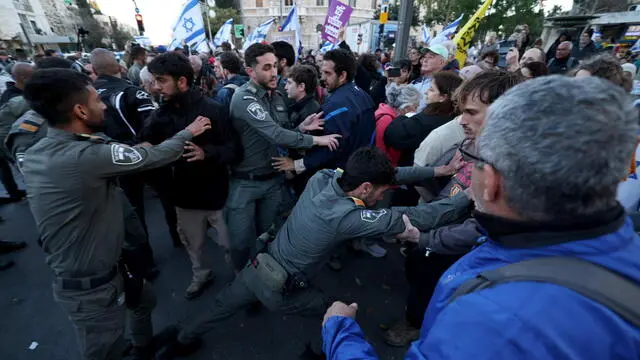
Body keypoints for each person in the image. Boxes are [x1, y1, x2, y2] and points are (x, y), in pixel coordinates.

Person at [323, 74, 640, 360]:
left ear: (490, 182)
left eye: (476, 161)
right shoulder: (621, 251)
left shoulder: (492, 321)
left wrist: (340, 333)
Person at [171, 147, 471, 358]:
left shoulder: (324, 177)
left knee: (222, 306)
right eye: (381, 191)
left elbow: (389, 174)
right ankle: (319, 351)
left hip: (257, 266)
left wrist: (439, 170)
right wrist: (468, 194)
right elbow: (424, 217)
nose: (383, 196)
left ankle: (182, 339)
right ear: (365, 188)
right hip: (282, 290)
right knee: (335, 311)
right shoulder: (349, 218)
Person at [21, 67, 212, 360]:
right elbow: (152, 157)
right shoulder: (84, 157)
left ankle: (144, 349)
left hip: (113, 264)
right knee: (105, 351)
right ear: (80, 111)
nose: (105, 105)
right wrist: (189, 131)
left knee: (142, 301)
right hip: (92, 286)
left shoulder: (50, 148)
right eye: (98, 100)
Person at [225, 43, 341, 271]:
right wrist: (316, 140)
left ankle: (259, 277)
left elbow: (281, 133)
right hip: (245, 182)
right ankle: (240, 279)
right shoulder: (244, 98)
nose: (274, 73)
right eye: (267, 67)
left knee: (267, 236)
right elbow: (275, 132)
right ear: (250, 71)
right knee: (239, 242)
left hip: (272, 181)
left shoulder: (277, 97)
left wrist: (300, 129)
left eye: (275, 66)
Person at [142, 52, 242, 299]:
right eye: (154, 80)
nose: (156, 87)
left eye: (161, 80)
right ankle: (201, 275)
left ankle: (242, 283)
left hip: (219, 195)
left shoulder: (214, 109)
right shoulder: (159, 115)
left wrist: (206, 153)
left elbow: (234, 150)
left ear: (182, 81)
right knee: (193, 245)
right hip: (183, 199)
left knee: (232, 246)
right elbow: (143, 143)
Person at [386, 71, 463, 167]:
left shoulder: (426, 121)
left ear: (443, 97)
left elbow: (393, 135)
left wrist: (404, 116)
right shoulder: (453, 118)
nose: (426, 92)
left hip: (414, 173)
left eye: (431, 89)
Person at [373, 83, 421, 166]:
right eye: (416, 107)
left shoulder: (388, 114)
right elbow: (380, 151)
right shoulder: (386, 120)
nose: (416, 111)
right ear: (406, 108)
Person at [412, 44, 449, 112]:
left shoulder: (444, 86)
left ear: (442, 62)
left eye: (430, 57)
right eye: (425, 57)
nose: (425, 60)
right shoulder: (415, 81)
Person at [284, 64, 322, 130]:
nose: (285, 87)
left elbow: (300, 139)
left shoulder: (310, 112)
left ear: (301, 87)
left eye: (289, 83)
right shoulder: (300, 106)